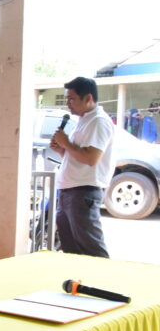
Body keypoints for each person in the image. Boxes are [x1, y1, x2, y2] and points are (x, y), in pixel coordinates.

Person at [50, 76, 114, 257]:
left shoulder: (98, 121)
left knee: (91, 249)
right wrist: (62, 149)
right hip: (69, 189)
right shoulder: (84, 120)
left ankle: (103, 276)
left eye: (71, 99)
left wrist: (66, 143)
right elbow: (78, 156)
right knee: (71, 248)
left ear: (88, 98)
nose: (68, 104)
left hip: (83, 191)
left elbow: (92, 158)